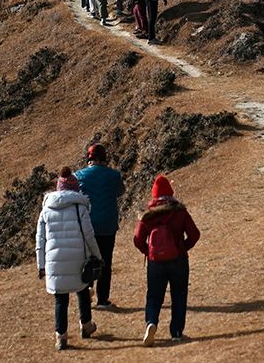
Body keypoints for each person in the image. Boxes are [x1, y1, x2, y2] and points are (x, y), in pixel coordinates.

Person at [35, 167, 102, 351]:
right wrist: (97, 255)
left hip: (54, 259)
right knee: (82, 289)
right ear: (75, 189)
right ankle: (86, 325)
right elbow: (89, 235)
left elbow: (40, 239)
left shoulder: (46, 209)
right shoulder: (80, 207)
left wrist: (41, 265)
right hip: (78, 256)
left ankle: (61, 337)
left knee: (60, 299)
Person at [132, 174, 200, 345]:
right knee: (179, 294)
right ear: (171, 192)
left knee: (154, 295)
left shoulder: (148, 215)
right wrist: (182, 248)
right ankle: (176, 331)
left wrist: (149, 252)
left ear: (154, 195)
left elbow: (138, 239)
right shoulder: (179, 211)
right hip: (178, 260)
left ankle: (151, 322)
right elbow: (195, 234)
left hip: (156, 262)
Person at [76, 144, 125, 307]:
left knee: (87, 259)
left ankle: (87, 288)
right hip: (108, 224)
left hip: (87, 224)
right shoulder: (113, 175)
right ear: (104, 158)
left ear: (89, 159)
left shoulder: (79, 176)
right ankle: (103, 299)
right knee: (106, 261)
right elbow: (120, 192)